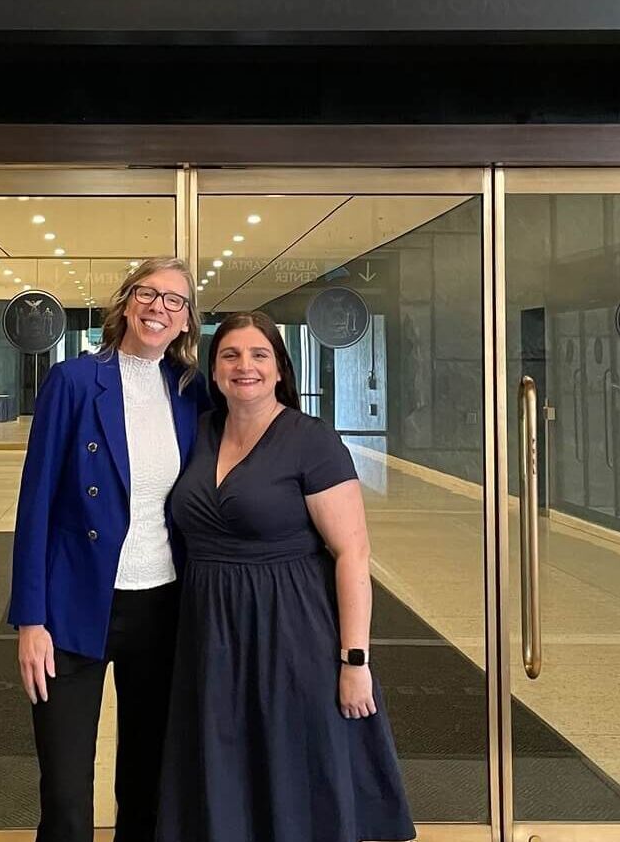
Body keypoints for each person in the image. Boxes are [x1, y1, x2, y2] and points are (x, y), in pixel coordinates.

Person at [157, 311, 414, 842]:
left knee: (293, 763)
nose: (243, 366)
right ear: (214, 367)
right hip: (209, 631)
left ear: (279, 370)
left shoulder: (311, 440)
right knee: (224, 761)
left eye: (259, 355)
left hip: (292, 629)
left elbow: (352, 554)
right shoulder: (200, 430)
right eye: (229, 355)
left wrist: (355, 661)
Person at [8, 258, 211, 842]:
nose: (158, 308)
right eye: (148, 294)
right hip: (74, 605)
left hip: (162, 605)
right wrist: (30, 619)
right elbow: (36, 501)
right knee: (67, 792)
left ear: (186, 323)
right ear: (125, 303)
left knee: (147, 782)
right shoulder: (73, 381)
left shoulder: (190, 392)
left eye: (175, 301)